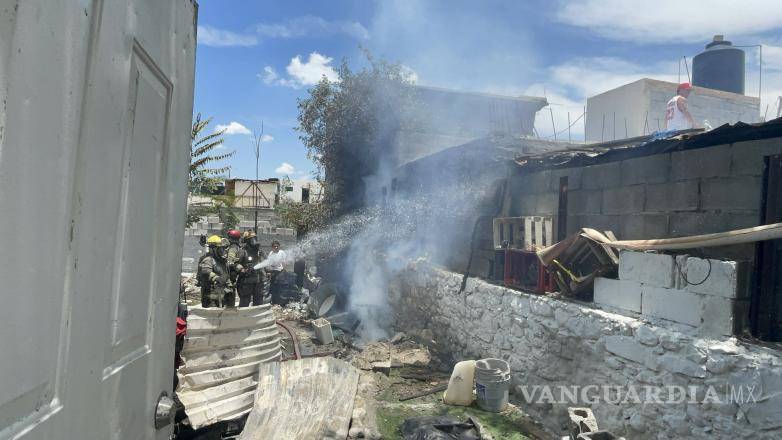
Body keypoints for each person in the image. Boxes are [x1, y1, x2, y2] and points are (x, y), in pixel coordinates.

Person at [198, 235, 231, 308]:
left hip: (221, 293)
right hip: (210, 294)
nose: (222, 251)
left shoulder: (222, 260)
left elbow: (225, 273)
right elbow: (206, 271)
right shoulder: (208, 259)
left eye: (222, 249)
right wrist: (215, 277)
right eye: (219, 249)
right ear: (213, 249)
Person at [238, 230, 265, 306]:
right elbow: (235, 263)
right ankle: (243, 316)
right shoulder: (243, 251)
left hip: (259, 280)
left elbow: (265, 261)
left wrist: (268, 271)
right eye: (251, 239)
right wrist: (241, 269)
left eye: (254, 238)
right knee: (245, 300)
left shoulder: (260, 251)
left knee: (259, 299)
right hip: (247, 280)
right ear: (247, 241)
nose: (254, 241)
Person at [224, 229, 246, 307]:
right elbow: (230, 263)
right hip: (230, 275)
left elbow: (230, 262)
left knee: (230, 292)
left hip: (231, 275)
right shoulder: (236, 248)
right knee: (230, 292)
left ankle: (229, 309)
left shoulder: (233, 248)